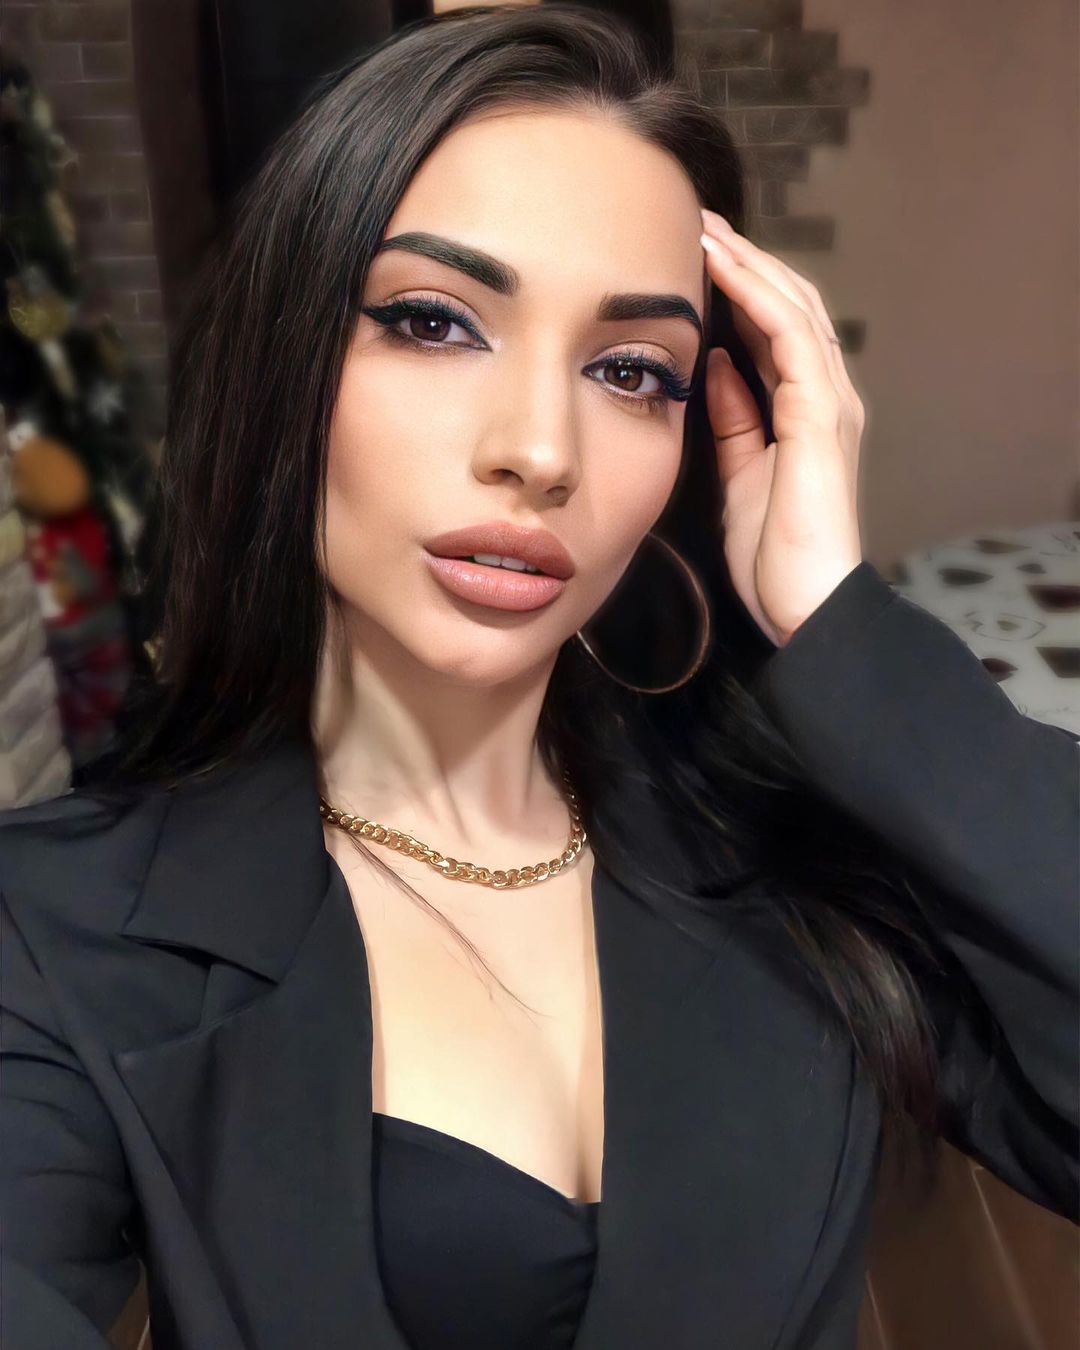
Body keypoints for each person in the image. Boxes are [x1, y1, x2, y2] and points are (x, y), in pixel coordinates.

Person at [2, 7, 1076, 1348]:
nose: (541, 450)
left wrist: (840, 627)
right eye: (435, 321)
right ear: (287, 363)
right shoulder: (60, 923)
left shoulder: (791, 854)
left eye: (632, 371)